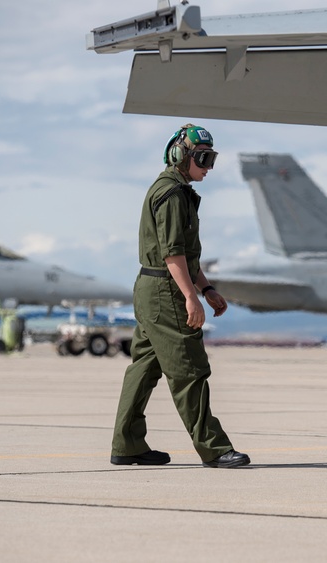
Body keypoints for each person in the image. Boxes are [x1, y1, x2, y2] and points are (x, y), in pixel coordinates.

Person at [110, 124, 249, 469]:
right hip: (165, 291)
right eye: (203, 158)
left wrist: (207, 288)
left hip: (152, 288)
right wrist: (190, 297)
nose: (208, 167)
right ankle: (214, 449)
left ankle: (127, 445)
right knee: (190, 369)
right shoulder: (172, 194)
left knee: (144, 367)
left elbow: (185, 256)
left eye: (212, 158)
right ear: (181, 156)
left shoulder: (177, 190)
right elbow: (173, 254)